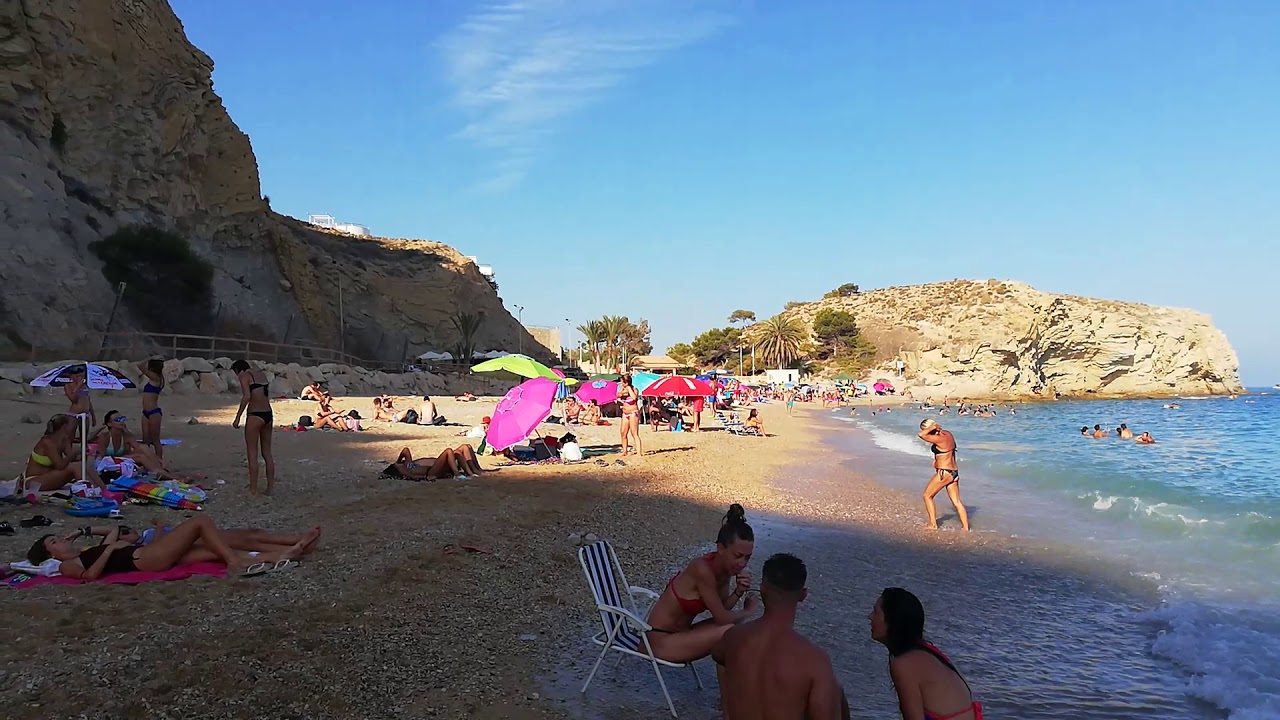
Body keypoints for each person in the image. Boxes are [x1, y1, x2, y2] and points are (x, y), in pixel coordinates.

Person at [713, 553, 848, 720]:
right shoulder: (815, 660)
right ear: (803, 595)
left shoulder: (733, 638)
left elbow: (718, 657)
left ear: (762, 589)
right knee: (836, 690)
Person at [27, 516, 319, 579]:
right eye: (54, 541)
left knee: (208, 550)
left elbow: (116, 531)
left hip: (143, 554)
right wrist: (107, 550)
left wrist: (80, 531)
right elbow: (89, 577)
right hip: (142, 559)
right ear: (50, 554)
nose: (61, 540)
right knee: (201, 522)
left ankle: (285, 553)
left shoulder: (81, 550)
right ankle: (235, 561)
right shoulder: (66, 565)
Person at [645, 504, 758, 663]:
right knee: (730, 630)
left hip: (680, 635)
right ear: (720, 548)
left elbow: (722, 609)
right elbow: (723, 619)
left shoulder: (725, 570)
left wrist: (738, 592)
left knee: (733, 627)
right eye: (738, 556)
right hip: (657, 642)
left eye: (747, 557)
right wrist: (748, 611)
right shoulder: (702, 569)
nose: (742, 563)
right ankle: (738, 686)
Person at [870, 587, 983, 720]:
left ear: (893, 620)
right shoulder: (929, 653)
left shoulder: (904, 665)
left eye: (876, 612)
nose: (870, 616)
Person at [87, 411, 181, 480]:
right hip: (106, 462)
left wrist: (158, 459)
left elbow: (138, 446)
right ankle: (168, 474)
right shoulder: (105, 437)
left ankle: (160, 470)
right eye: (117, 420)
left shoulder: (125, 435)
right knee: (141, 456)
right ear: (109, 423)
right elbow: (103, 457)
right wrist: (101, 428)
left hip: (121, 460)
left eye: (122, 419)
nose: (121, 421)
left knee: (143, 448)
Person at [22, 415, 104, 492]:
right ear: (64, 427)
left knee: (84, 465)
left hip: (50, 476)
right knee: (76, 466)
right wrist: (74, 453)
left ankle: (103, 489)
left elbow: (73, 458)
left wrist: (83, 452)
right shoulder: (47, 442)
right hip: (34, 481)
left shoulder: (64, 440)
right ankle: (91, 491)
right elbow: (60, 466)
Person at [231, 359, 275, 496]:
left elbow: (246, 397)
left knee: (252, 453)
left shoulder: (245, 376)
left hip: (255, 415)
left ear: (239, 370)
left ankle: (253, 489)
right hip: (268, 414)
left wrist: (238, 417)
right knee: (267, 453)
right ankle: (270, 488)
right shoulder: (261, 375)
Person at [917, 419, 970, 531]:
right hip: (954, 472)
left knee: (927, 496)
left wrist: (932, 427)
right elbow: (948, 452)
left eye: (926, 429)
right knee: (957, 502)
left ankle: (933, 524)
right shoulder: (948, 434)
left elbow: (921, 435)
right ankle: (966, 528)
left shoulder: (938, 438)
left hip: (944, 472)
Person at [136, 358, 165, 459]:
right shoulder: (156, 378)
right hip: (146, 413)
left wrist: (149, 358)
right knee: (145, 440)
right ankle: (147, 460)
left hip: (153, 413)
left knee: (155, 440)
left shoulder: (156, 378)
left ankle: (159, 461)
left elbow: (139, 365)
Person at [63, 366, 95, 432]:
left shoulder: (85, 386)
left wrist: (93, 416)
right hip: (74, 414)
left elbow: (88, 400)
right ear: (72, 377)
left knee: (84, 435)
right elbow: (73, 399)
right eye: (77, 376)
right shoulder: (68, 386)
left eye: (81, 376)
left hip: (85, 414)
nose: (80, 378)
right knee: (70, 434)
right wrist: (78, 387)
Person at [617, 375, 643, 456]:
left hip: (633, 412)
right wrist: (623, 390)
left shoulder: (634, 389)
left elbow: (634, 397)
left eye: (622, 382)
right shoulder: (623, 389)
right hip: (625, 413)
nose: (621, 383)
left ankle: (639, 452)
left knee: (634, 433)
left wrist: (628, 388)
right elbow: (618, 395)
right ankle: (625, 451)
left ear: (627, 382)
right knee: (623, 432)